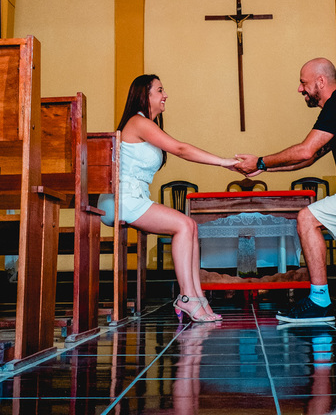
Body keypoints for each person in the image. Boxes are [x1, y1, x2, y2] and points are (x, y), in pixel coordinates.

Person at [233, 57, 336, 323]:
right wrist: (263, 169)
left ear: (321, 81)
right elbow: (309, 158)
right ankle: (319, 300)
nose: (300, 89)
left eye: (304, 83)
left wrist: (261, 161)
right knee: (307, 218)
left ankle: (319, 302)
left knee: (306, 218)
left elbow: (305, 150)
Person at [98, 73, 237, 323]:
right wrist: (224, 162)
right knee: (183, 225)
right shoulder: (138, 122)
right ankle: (186, 297)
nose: (166, 95)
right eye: (160, 90)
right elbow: (181, 149)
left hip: (135, 197)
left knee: (190, 225)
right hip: (121, 199)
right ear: (145, 95)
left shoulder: (146, 124)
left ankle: (198, 297)